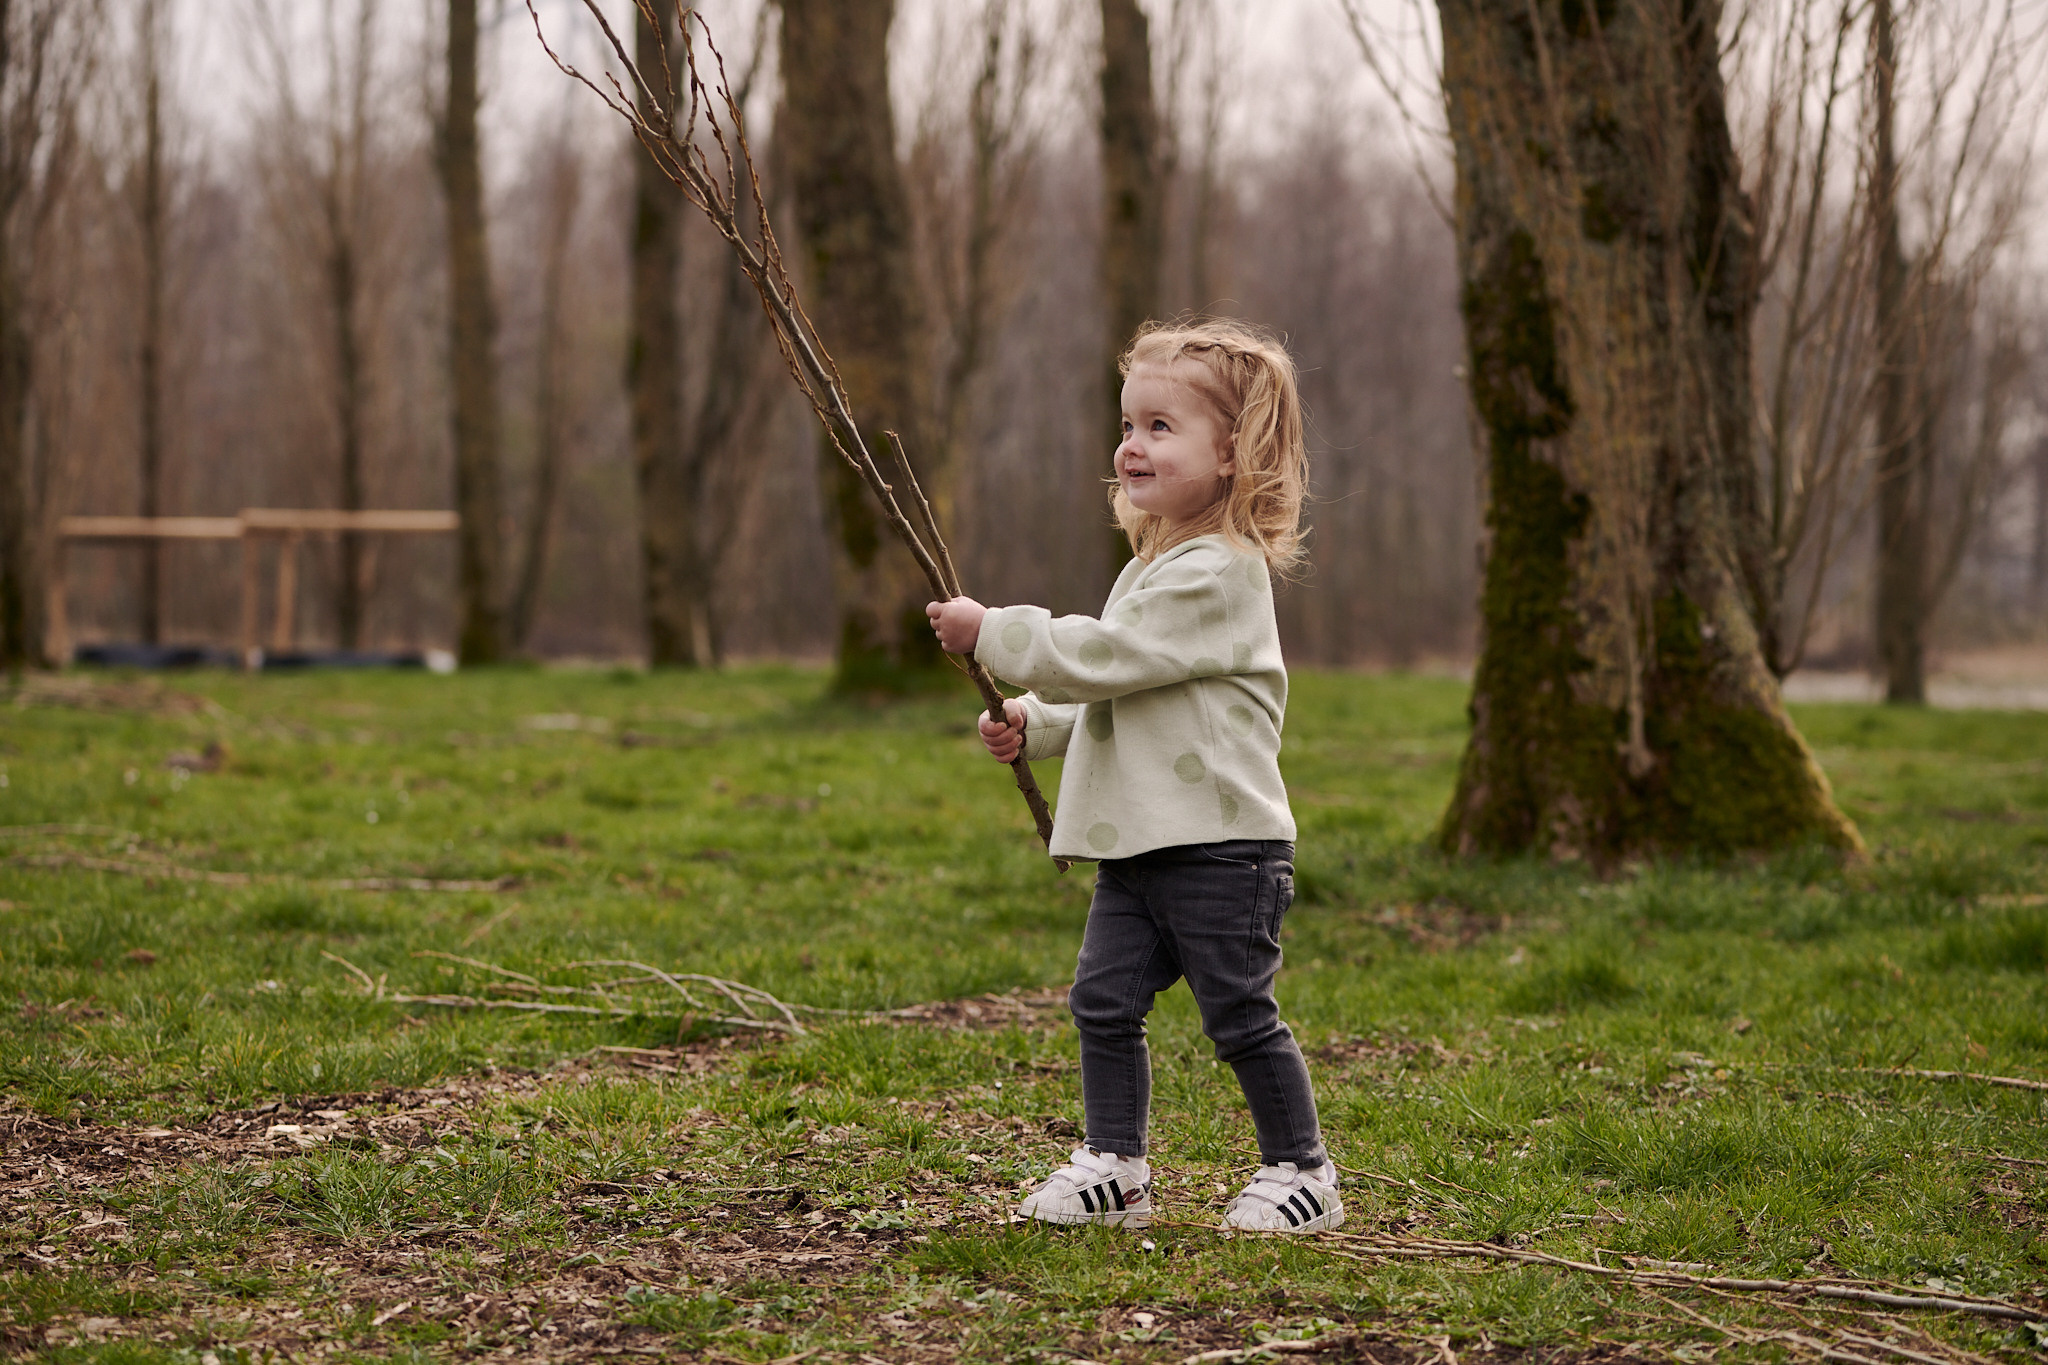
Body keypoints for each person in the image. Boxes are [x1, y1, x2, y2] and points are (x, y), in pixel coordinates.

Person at [925, 319, 1339, 1234]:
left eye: (1161, 426)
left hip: (1223, 847)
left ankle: (1302, 1170)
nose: (1131, 444)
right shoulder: (1153, 565)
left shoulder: (1221, 573)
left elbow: (1109, 655)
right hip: (1144, 840)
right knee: (1102, 1000)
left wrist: (994, 630)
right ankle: (1115, 1162)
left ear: (1232, 455)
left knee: (1237, 1013)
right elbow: (1122, 687)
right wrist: (1036, 721)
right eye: (1128, 424)